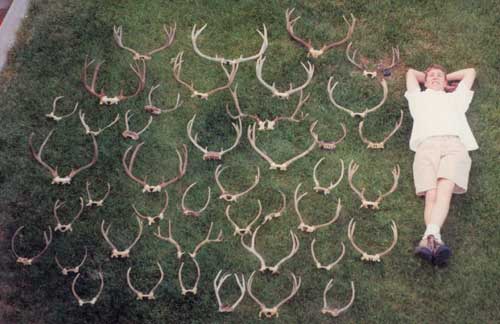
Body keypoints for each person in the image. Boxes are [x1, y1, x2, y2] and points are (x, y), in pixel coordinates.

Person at [405, 65, 477, 266]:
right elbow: (411, 73)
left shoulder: (456, 98)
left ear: (446, 82)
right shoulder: (417, 98)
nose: (435, 78)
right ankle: (433, 240)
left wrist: (445, 80)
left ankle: (429, 237)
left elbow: (470, 72)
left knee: (444, 190)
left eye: (439, 76)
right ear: (424, 82)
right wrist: (432, 79)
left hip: (454, 145)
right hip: (426, 146)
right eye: (430, 76)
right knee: (431, 195)